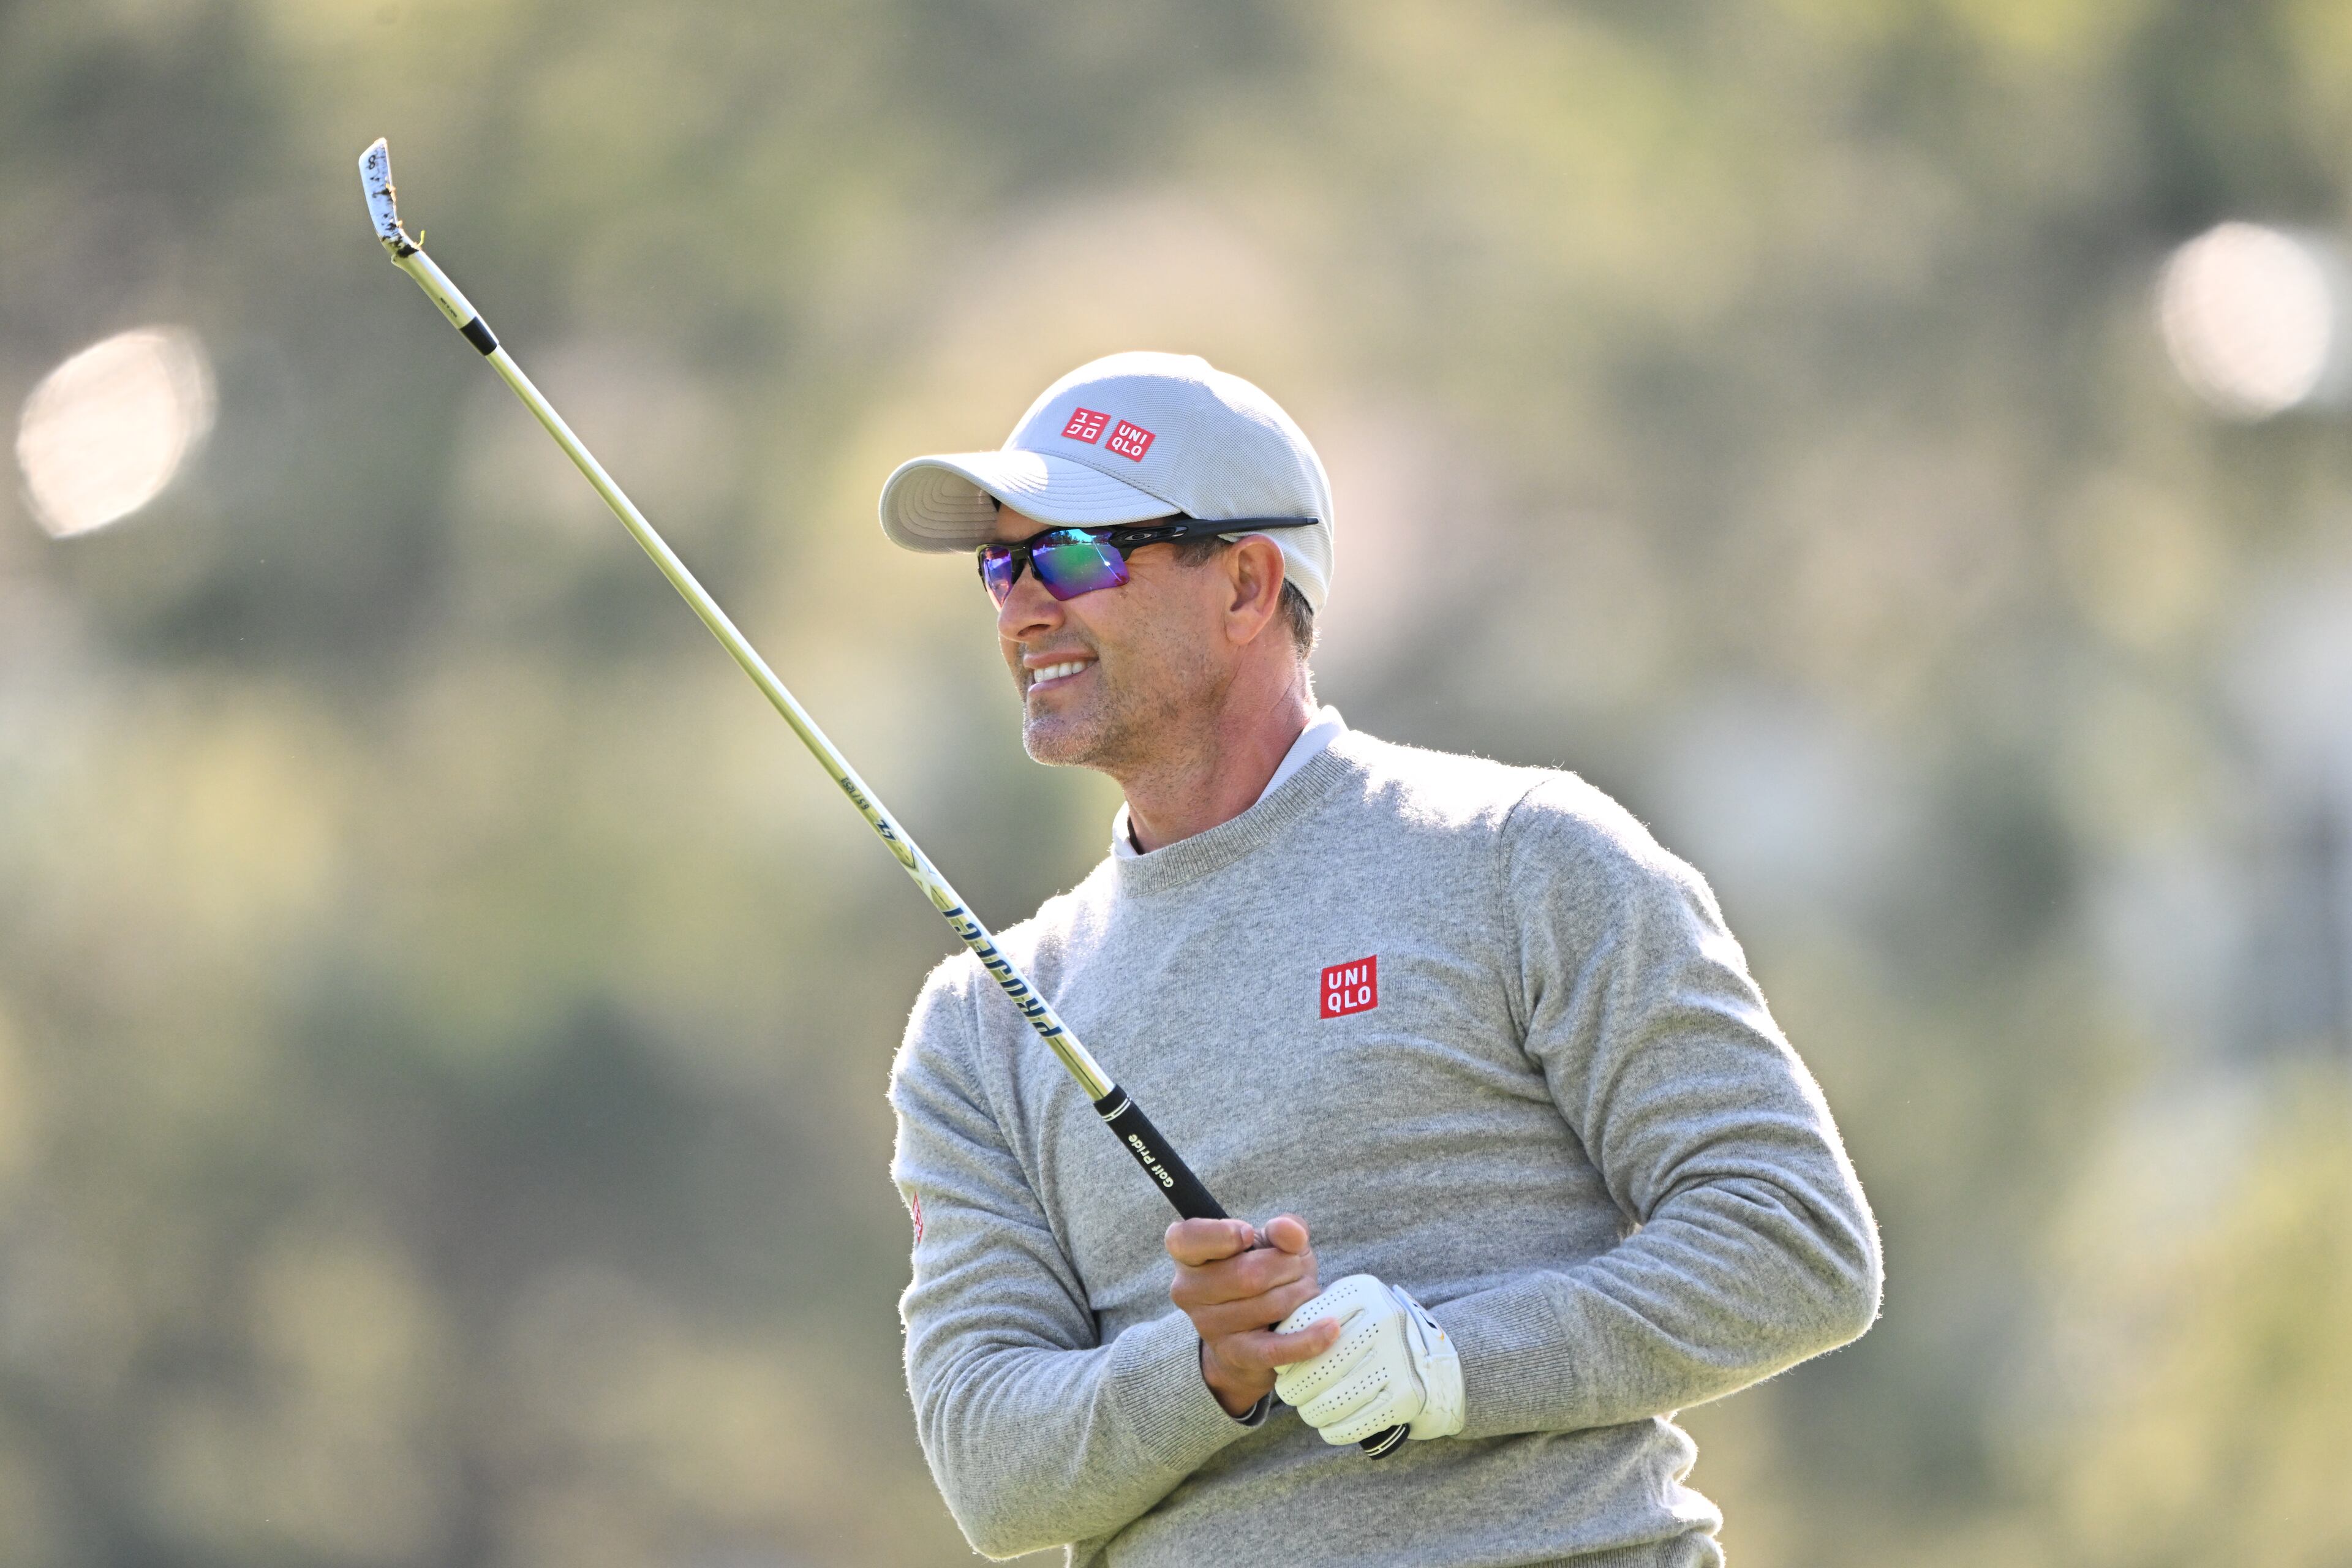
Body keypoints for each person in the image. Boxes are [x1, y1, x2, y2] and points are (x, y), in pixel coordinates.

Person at [877, 351, 1880, 1568]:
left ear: (1246, 584)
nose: (1025, 607)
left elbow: (1794, 1237)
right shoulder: (980, 1021)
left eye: (1077, 554)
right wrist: (1208, 1365)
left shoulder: (1522, 857)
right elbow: (992, 1472)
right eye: (1003, 562)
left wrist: (1445, 1362)